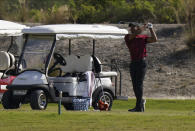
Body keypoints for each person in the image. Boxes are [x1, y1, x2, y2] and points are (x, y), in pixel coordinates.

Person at [124, 22, 157, 112]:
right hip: (133, 63)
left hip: (141, 63)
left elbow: (154, 39)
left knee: (139, 84)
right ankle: (140, 102)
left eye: (133, 27)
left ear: (137, 27)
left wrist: (151, 28)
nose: (131, 29)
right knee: (135, 85)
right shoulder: (128, 37)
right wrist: (144, 27)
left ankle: (139, 106)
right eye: (130, 27)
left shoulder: (143, 38)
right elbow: (135, 34)